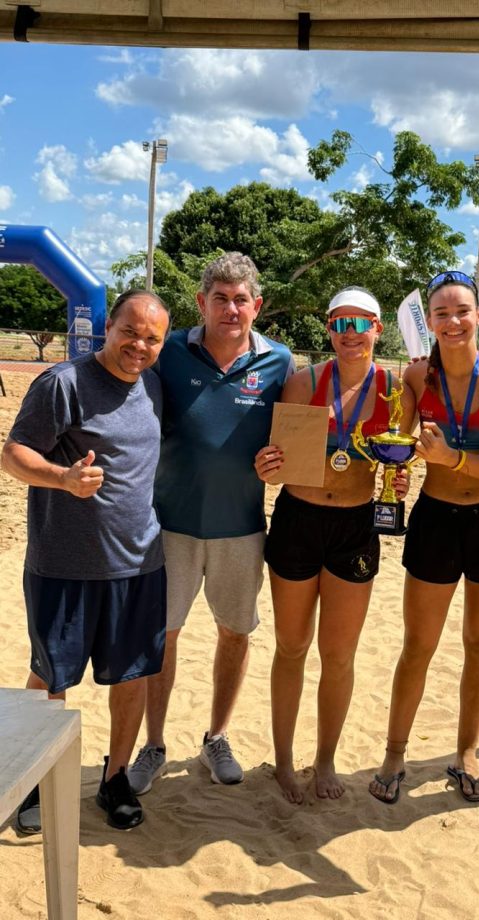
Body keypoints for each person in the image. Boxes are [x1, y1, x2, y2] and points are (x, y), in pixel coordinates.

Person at [2, 290, 170, 832]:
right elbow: (13, 452)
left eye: (152, 338)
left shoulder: (154, 385)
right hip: (63, 565)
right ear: (108, 327)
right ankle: (29, 779)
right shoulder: (63, 384)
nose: (138, 346)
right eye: (130, 331)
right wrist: (62, 478)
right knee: (51, 676)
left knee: (133, 675)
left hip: (138, 564)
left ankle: (115, 777)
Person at [128, 252, 294, 794]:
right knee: (162, 636)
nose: (230, 308)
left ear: (257, 306)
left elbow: (292, 444)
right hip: (169, 524)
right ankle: (153, 744)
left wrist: (280, 465)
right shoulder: (169, 352)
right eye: (219, 298)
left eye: (241, 299)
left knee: (235, 634)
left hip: (242, 528)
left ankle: (216, 737)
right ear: (201, 303)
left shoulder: (280, 363)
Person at [369, 270, 479, 805]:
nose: (453, 321)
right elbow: (401, 441)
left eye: (463, 311)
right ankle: (395, 754)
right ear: (429, 321)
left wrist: (454, 457)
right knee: (418, 646)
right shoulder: (415, 377)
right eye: (442, 313)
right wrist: (399, 457)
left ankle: (466, 754)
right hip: (435, 518)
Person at [254, 286, 412, 804]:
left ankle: (324, 760)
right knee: (291, 647)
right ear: (328, 330)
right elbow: (279, 467)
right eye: (339, 324)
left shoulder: (394, 390)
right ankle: (281, 760)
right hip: (298, 519)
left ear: (377, 329)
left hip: (356, 525)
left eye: (359, 323)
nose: (350, 334)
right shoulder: (303, 383)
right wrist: (266, 467)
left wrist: (400, 479)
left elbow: (398, 460)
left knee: (338, 654)